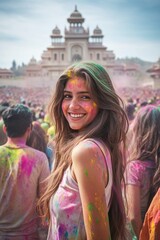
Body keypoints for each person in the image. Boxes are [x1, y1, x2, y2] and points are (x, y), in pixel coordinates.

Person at [38, 61, 129, 240]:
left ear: (102, 102)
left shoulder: (86, 152)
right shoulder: (96, 146)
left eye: (85, 97)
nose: (73, 106)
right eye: (67, 96)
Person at [0, 104, 50, 239]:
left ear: (5, 129)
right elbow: (44, 196)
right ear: (29, 129)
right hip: (28, 234)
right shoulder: (40, 158)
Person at [124, 105, 160, 238]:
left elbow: (133, 216)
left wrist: (142, 236)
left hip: (143, 232)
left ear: (138, 131)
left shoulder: (134, 168)